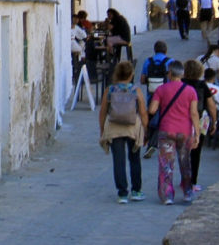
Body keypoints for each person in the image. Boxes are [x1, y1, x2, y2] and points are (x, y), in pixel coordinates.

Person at [149, 59, 200, 204]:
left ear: (170, 73)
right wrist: (197, 133)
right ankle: (188, 192)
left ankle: (167, 196)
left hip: (166, 130)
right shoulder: (190, 91)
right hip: (184, 131)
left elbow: (152, 109)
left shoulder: (161, 89)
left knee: (166, 163)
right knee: (185, 162)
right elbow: (194, 113)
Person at [98, 60, 147, 203]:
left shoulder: (110, 90)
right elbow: (143, 112)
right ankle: (136, 190)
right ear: (131, 74)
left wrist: (102, 130)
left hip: (114, 128)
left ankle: (122, 193)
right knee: (135, 159)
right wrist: (145, 129)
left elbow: (103, 112)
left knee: (118, 161)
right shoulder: (136, 90)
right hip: (132, 128)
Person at [183, 59, 219, 191]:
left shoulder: (181, 84)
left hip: (184, 119)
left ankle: (184, 178)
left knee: (184, 151)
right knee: (196, 151)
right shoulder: (202, 85)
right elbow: (211, 106)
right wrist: (214, 122)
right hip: (200, 119)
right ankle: (193, 181)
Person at [70, 15, 87, 83]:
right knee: (80, 50)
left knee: (82, 46)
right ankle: (79, 63)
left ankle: (79, 64)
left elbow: (83, 35)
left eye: (77, 19)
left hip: (73, 42)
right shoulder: (68, 25)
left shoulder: (76, 27)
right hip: (69, 43)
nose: (76, 20)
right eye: (74, 19)